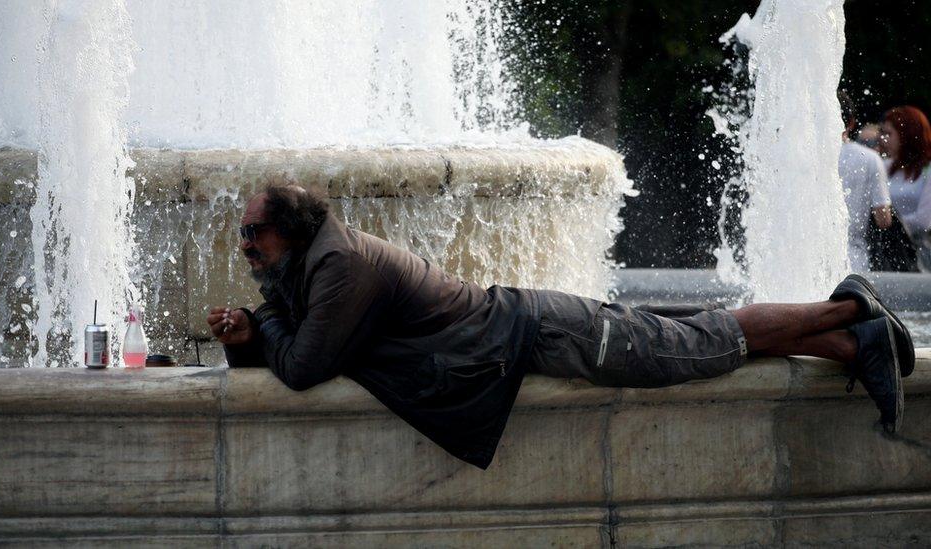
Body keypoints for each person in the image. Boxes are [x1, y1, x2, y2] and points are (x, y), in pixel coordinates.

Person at [208, 185, 915, 469]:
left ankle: (850, 305)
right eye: (243, 232)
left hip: (547, 333)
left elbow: (302, 365)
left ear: (291, 230)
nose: (244, 245)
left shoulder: (338, 264)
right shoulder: (314, 263)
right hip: (532, 333)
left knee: (704, 340)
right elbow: (288, 334)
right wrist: (251, 331)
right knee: (705, 337)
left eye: (253, 231)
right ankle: (857, 342)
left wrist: (259, 334)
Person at [837, 91, 891, 271]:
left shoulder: (799, 161)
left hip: (805, 260)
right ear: (851, 122)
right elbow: (883, 219)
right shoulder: (869, 159)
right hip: (852, 260)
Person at [879, 106, 931, 271]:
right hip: (886, 251)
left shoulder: (928, 171)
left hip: (918, 256)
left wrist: (888, 223)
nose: (882, 139)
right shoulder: (883, 166)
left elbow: (924, 221)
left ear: (907, 136)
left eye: (888, 134)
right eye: (882, 133)